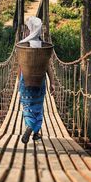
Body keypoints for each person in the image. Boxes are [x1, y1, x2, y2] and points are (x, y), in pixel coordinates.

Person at [18, 16, 55, 144]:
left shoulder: (23, 45)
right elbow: (48, 66)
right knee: (38, 107)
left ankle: (30, 126)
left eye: (28, 29)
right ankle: (35, 131)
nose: (27, 31)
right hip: (40, 81)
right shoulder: (43, 46)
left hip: (25, 80)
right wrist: (53, 83)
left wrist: (19, 81)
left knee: (28, 106)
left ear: (30, 30)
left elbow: (20, 66)